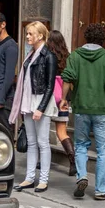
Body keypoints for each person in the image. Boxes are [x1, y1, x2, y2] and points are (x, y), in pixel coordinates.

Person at [60, 23, 105, 201]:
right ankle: (102, 190)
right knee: (103, 150)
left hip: (81, 108)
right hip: (102, 109)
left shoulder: (75, 57)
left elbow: (67, 77)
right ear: (102, 40)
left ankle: (82, 176)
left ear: (86, 37)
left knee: (80, 145)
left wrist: (64, 99)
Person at [9, 21, 58, 193]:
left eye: (30, 34)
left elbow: (50, 86)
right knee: (31, 142)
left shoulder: (49, 56)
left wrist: (41, 108)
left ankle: (43, 180)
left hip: (40, 102)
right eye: (27, 33)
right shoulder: (30, 55)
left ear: (40, 36)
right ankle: (29, 178)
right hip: (28, 101)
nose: (28, 36)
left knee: (42, 142)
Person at [46, 30, 76, 176]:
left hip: (48, 97)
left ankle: (41, 160)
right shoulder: (68, 57)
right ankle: (73, 162)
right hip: (62, 99)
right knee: (61, 132)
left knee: (42, 131)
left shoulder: (46, 56)